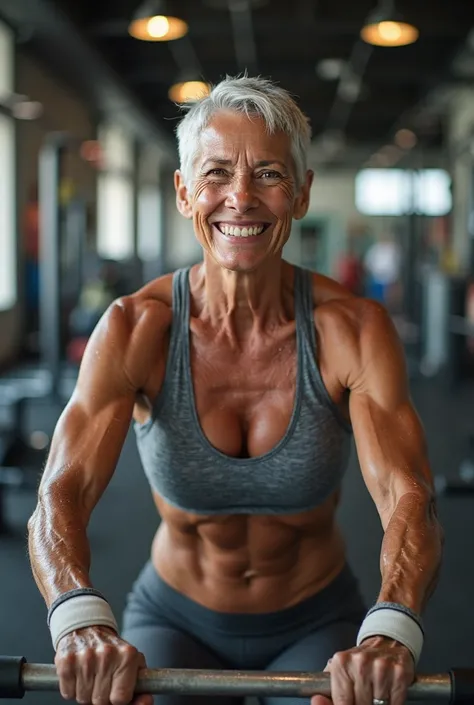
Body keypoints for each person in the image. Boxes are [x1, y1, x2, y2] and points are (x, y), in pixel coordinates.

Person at [28, 76, 443, 705]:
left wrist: (391, 629)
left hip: (315, 620)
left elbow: (407, 494)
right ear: (183, 192)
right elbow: (62, 490)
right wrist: (76, 616)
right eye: (217, 173)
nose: (240, 198)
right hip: (175, 616)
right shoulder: (135, 327)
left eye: (269, 174)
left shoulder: (353, 330)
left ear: (301, 194)